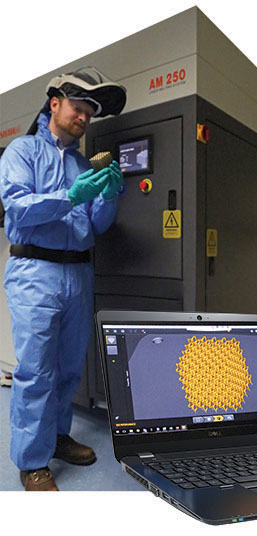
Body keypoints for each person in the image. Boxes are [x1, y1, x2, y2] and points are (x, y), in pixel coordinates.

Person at [0, 67, 127, 491]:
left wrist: (106, 197)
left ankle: (55, 438)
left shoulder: (80, 163)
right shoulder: (22, 152)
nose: (85, 117)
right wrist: (69, 196)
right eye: (79, 106)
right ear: (55, 103)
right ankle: (32, 461)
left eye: (90, 112)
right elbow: (16, 209)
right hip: (36, 272)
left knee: (69, 368)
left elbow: (95, 225)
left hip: (78, 272)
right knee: (37, 371)